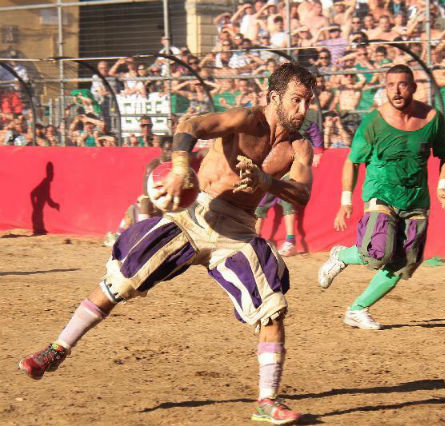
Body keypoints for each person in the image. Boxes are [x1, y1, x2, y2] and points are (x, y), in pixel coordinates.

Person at [19, 63, 316, 425]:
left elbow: (301, 193)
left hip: (238, 230)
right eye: (297, 101)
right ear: (274, 97)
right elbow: (191, 125)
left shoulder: (300, 145)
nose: (303, 110)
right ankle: (57, 349)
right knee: (122, 280)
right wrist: (180, 168)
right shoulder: (244, 118)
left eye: (307, 102)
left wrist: (267, 182)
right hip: (197, 214)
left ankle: (267, 400)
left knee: (272, 306)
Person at [317, 65, 445, 330]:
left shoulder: (432, 119)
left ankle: (357, 310)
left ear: (413, 87)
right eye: (391, 85)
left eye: (403, 84)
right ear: (384, 88)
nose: (397, 90)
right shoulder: (373, 121)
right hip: (381, 192)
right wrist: (346, 200)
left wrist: (441, 186)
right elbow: (353, 161)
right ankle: (343, 255)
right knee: (378, 253)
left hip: (416, 199)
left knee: (404, 263)